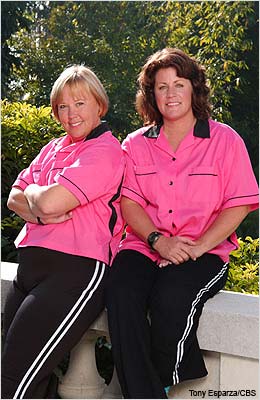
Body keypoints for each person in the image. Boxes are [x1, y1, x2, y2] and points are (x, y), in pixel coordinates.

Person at [105, 48, 259, 399]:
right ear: (151, 95)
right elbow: (129, 202)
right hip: (146, 243)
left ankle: (157, 382)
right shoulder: (135, 144)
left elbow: (239, 205)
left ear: (194, 89)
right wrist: (159, 241)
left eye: (179, 84)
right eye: (161, 87)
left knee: (171, 297)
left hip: (204, 250)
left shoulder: (225, 140)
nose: (170, 94)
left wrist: (198, 247)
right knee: (121, 292)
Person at [2, 65, 125, 399]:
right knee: (18, 372)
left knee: (13, 379)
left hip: (74, 271)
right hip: (30, 269)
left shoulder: (106, 152)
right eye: (63, 106)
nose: (71, 114)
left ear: (99, 105)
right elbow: (14, 197)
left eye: (80, 103)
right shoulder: (54, 147)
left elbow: (53, 201)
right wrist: (39, 211)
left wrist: (39, 196)